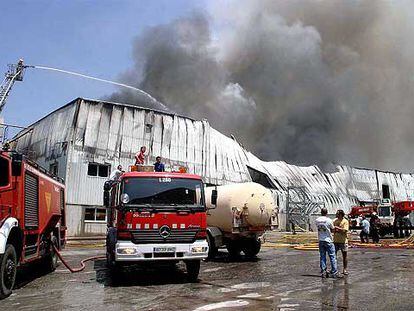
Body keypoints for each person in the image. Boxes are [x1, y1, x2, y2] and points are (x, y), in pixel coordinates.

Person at [315, 208, 338, 278]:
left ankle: (323, 271)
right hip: (328, 240)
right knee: (332, 256)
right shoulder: (329, 220)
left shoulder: (317, 220)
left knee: (322, 256)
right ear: (327, 212)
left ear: (321, 212)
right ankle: (334, 271)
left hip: (321, 240)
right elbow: (332, 229)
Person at [333, 209, 349, 275]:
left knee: (344, 256)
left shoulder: (345, 221)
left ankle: (345, 269)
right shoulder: (334, 221)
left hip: (343, 241)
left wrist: (337, 228)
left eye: (337, 214)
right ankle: (334, 269)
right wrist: (337, 229)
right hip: (335, 240)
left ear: (341, 214)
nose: (336, 215)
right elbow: (332, 229)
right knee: (334, 256)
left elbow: (345, 230)